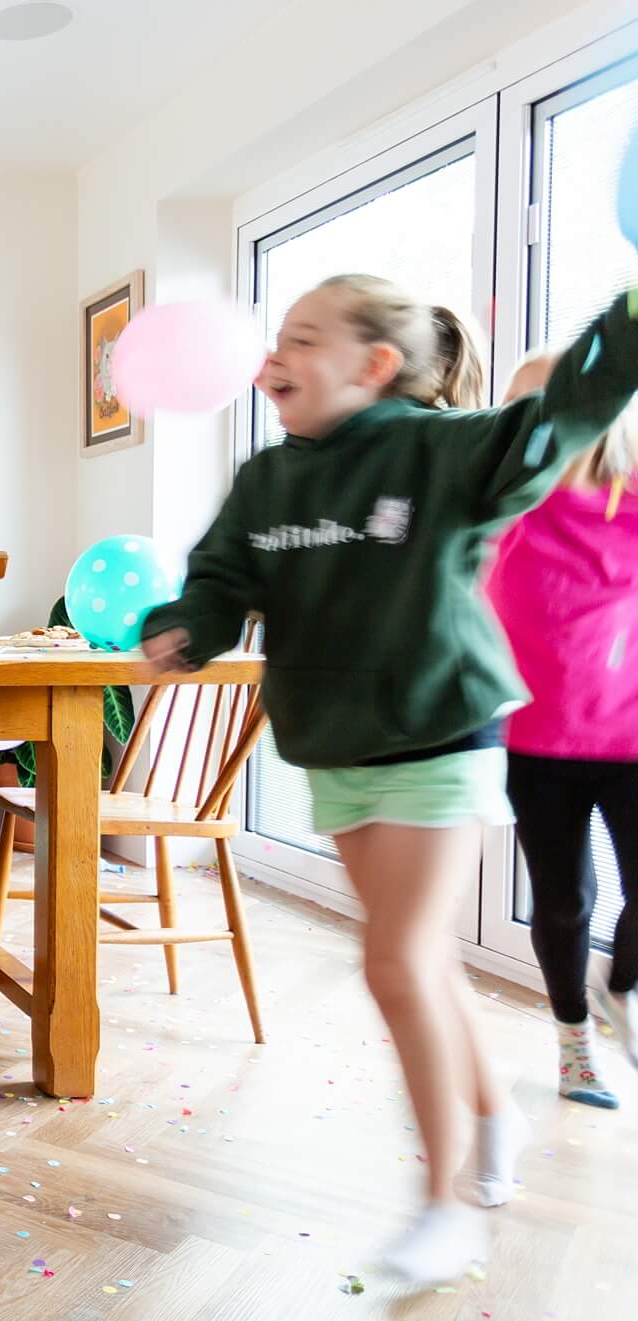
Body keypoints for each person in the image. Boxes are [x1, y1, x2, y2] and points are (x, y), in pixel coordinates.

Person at [140, 275, 638, 1286]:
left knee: (392, 963)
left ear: (372, 365)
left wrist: (628, 320)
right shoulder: (266, 479)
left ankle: (443, 1204)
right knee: (421, 966)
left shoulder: (435, 451)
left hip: (438, 738)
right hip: (336, 749)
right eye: (274, 338)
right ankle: (491, 1124)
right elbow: (224, 571)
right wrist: (190, 624)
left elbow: (564, 413)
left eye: (301, 338)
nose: (272, 354)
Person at [484, 350, 638, 1109]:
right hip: (533, 742)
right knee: (563, 899)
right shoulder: (502, 505)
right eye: (521, 409)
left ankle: (622, 984)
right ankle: (574, 1045)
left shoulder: (632, 496)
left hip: (630, 736)